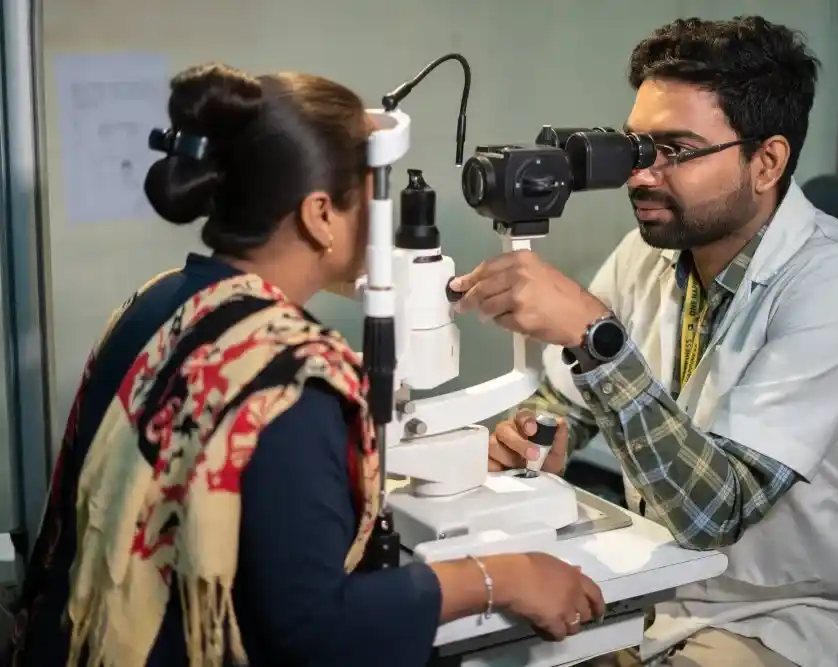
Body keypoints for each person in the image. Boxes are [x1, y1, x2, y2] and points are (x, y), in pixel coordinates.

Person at [5, 63, 604, 667]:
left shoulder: (156, 304)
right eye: (372, 196)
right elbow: (317, 632)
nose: (382, 222)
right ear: (321, 216)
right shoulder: (294, 377)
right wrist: (504, 576)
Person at [450, 16, 838, 667]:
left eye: (673, 151)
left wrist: (595, 339)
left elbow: (718, 510)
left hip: (794, 617)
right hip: (657, 583)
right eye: (636, 147)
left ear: (765, 161)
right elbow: (567, 408)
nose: (641, 175)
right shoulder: (649, 253)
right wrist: (532, 433)